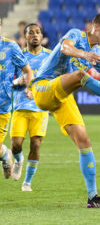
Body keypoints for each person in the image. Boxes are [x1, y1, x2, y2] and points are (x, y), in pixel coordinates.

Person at [29, 13, 100, 208]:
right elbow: (65, 48)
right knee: (80, 75)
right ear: (95, 27)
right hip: (43, 88)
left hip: (63, 97)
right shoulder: (76, 35)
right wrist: (84, 54)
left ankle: (93, 197)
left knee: (84, 140)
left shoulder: (98, 51)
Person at [10, 23, 50, 191]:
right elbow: (7, 81)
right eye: (31, 33)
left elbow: (54, 81)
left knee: (36, 145)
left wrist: (39, 90)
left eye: (38, 32)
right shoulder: (18, 56)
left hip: (40, 108)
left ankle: (27, 182)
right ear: (25, 37)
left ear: (42, 36)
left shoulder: (49, 56)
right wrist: (19, 82)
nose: (35, 35)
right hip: (20, 106)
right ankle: (18, 160)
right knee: (16, 145)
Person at [0, 18, 33, 179]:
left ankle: (5, 154)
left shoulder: (10, 47)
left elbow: (27, 70)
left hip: (2, 106)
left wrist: (28, 86)